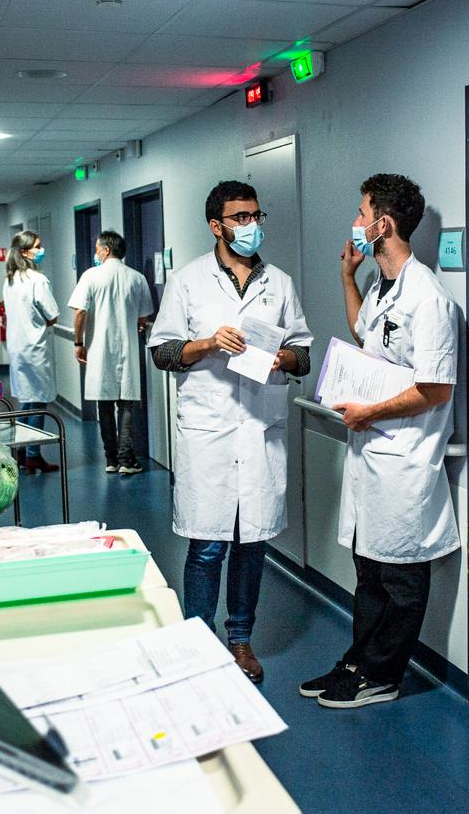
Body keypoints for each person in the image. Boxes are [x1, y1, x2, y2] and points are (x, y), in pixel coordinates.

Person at [301, 173, 461, 709]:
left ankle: (383, 675)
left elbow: (436, 389)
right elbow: (364, 334)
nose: (356, 222)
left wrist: (372, 409)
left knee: (400, 576)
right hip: (372, 454)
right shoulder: (381, 285)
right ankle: (357, 662)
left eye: (361, 212)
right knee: (369, 568)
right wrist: (348, 276)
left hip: (407, 461)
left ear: (382, 223)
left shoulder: (430, 300)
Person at [147, 180, 313, 683]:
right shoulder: (189, 281)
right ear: (216, 226)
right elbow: (162, 352)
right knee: (208, 545)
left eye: (256, 216)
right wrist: (207, 343)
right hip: (209, 429)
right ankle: (198, 642)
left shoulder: (279, 283)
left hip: (260, 429)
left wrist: (278, 355)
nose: (251, 226)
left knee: (251, 543)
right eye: (240, 218)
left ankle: (240, 641)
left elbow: (303, 354)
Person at [69, 231, 154, 474]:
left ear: (106, 250)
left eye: (97, 249)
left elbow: (79, 312)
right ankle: (127, 459)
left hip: (99, 350)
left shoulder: (91, 276)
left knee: (104, 405)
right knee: (126, 404)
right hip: (128, 348)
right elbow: (144, 315)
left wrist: (78, 342)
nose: (96, 253)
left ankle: (111, 459)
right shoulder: (137, 278)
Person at [1, 230, 60, 473]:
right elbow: (52, 315)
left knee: (26, 400)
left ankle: (22, 452)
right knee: (38, 402)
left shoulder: (11, 279)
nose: (40, 250)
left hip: (16, 348)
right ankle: (33, 454)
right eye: (37, 246)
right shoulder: (37, 280)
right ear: (25, 252)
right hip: (34, 348)